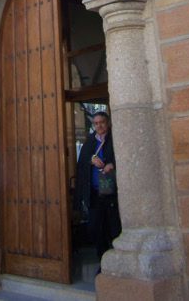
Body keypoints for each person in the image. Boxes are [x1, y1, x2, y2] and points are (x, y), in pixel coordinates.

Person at [73, 111, 122, 269]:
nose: (99, 125)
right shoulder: (89, 142)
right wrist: (91, 159)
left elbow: (126, 156)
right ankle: (102, 258)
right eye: (96, 123)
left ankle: (115, 262)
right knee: (94, 227)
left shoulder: (115, 139)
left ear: (108, 123)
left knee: (113, 227)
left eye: (102, 122)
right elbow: (81, 164)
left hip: (111, 194)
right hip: (94, 193)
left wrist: (112, 164)